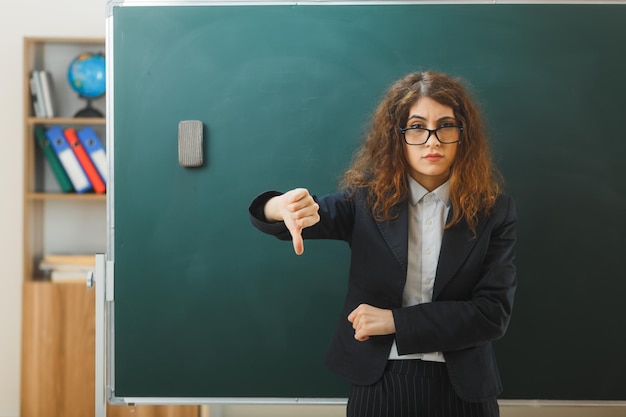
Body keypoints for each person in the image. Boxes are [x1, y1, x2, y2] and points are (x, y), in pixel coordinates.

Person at [249, 71, 517, 417]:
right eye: (417, 127)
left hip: (465, 390)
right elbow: (297, 216)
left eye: (446, 126)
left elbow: (491, 315)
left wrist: (396, 322)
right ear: (398, 136)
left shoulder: (494, 212)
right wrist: (278, 207)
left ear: (463, 136)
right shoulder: (365, 202)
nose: (432, 141)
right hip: (380, 382)